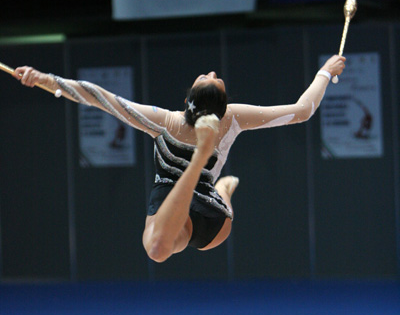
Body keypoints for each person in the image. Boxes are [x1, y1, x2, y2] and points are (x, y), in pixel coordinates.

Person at [13, 55, 346, 263]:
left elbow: (98, 98)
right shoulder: (233, 118)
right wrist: (323, 73)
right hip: (214, 223)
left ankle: (222, 189)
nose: (212, 69)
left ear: (187, 100)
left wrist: (43, 78)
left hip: (204, 213)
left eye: (208, 77)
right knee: (158, 249)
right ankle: (223, 190)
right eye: (214, 77)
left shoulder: (167, 121)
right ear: (223, 105)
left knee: (158, 250)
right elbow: (303, 111)